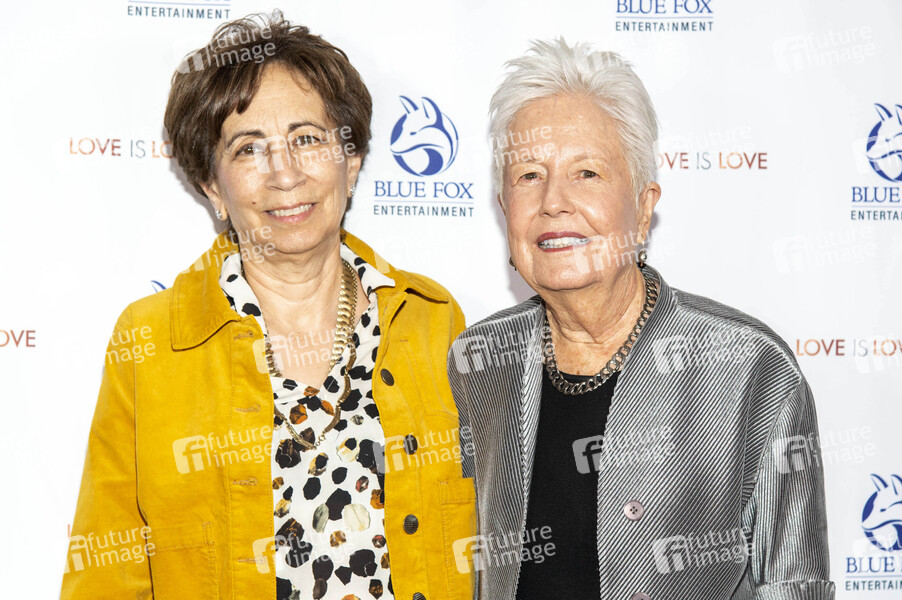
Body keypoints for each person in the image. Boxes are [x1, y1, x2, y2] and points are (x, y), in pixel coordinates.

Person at [61, 11, 475, 600]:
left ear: (351, 161)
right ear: (213, 187)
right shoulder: (150, 343)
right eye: (249, 148)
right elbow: (106, 576)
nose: (284, 174)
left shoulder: (432, 320)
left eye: (307, 139)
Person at [448, 39, 834, 600]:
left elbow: (796, 586)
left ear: (644, 205)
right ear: (505, 208)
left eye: (586, 172)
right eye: (528, 175)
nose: (553, 202)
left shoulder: (752, 370)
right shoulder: (479, 362)